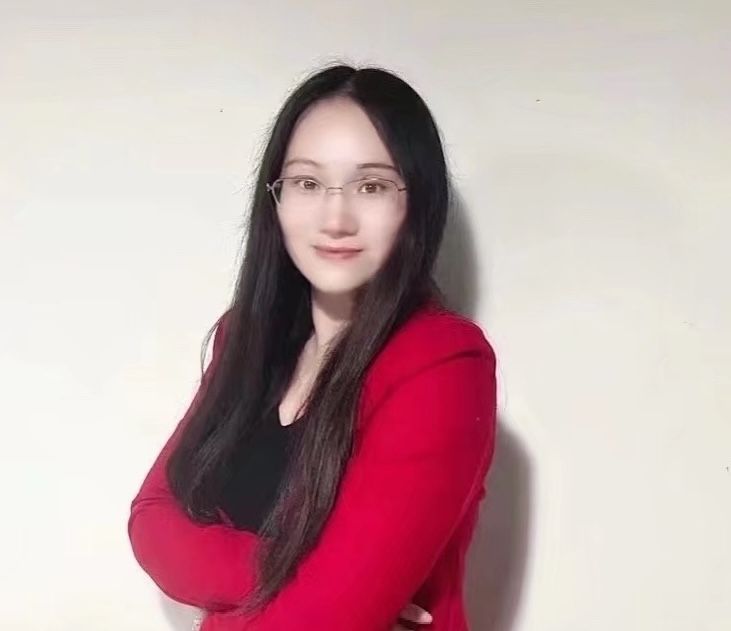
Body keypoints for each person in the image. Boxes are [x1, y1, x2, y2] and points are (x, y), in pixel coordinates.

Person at [127, 63, 497, 631]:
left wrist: (330, 594)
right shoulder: (244, 340)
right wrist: (315, 575)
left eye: (371, 186)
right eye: (307, 183)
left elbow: (325, 621)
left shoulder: (444, 364)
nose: (335, 218)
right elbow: (152, 520)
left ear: (417, 202)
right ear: (275, 198)